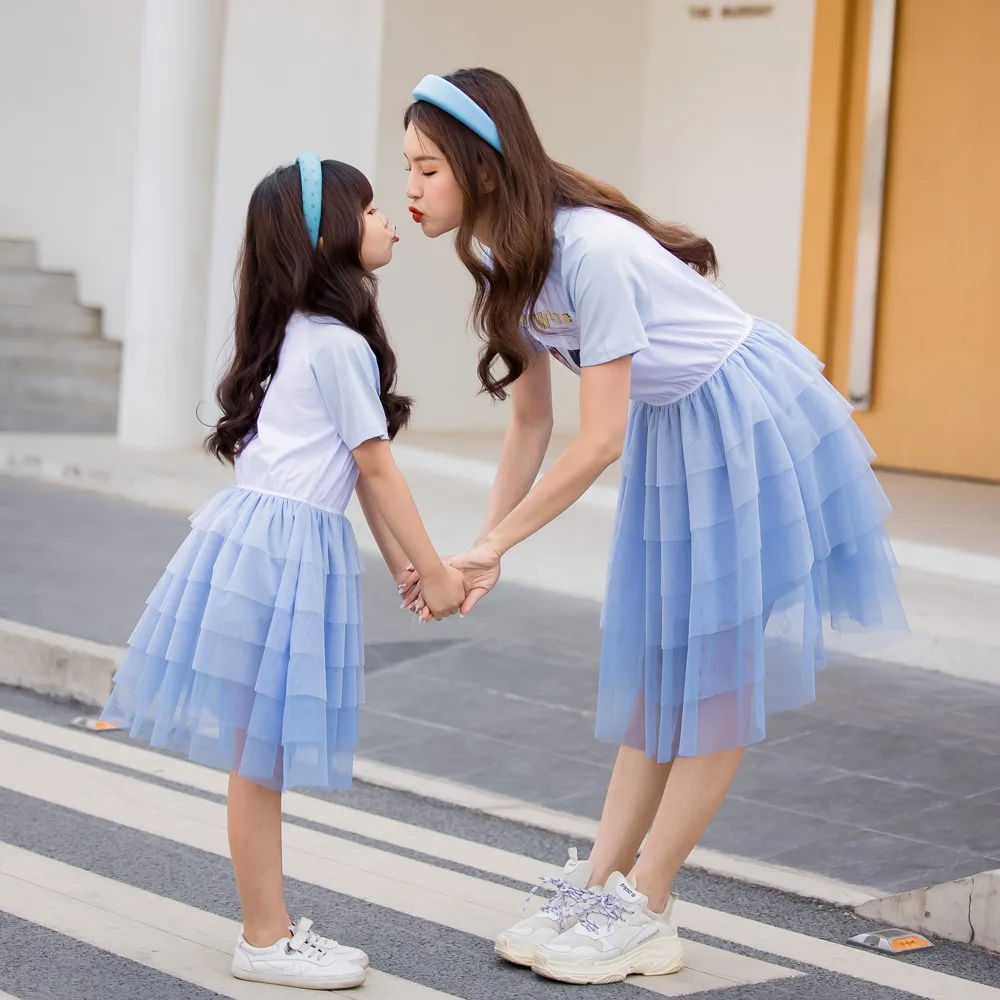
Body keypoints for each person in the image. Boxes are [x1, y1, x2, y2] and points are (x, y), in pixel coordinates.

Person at [399, 69, 906, 986]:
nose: (411, 189)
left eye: (428, 168)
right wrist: (485, 546)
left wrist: (495, 544)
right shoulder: (496, 255)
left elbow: (599, 441)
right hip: (679, 433)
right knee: (658, 667)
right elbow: (529, 421)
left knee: (712, 670)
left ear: (480, 166)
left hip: (746, 423)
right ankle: (603, 883)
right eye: (409, 169)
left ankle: (650, 903)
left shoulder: (587, 250)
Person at [100, 155, 466, 990]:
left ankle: (267, 932)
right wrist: (437, 572)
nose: (390, 221)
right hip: (281, 555)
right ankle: (265, 940)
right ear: (328, 232)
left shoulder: (307, 336)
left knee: (255, 759)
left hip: (258, 545)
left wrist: (408, 564)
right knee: (258, 761)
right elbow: (376, 471)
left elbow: (358, 472)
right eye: (372, 209)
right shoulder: (335, 345)